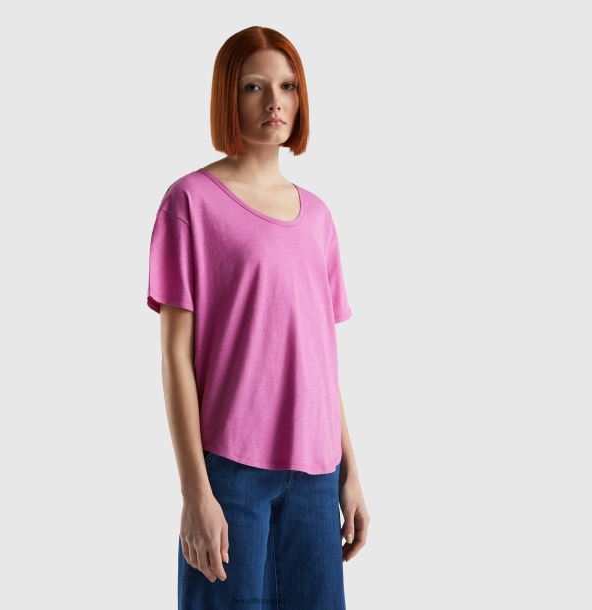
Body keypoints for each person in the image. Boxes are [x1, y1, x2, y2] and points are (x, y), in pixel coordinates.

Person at [146, 26, 370, 609]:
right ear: (228, 94)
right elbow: (175, 358)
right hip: (233, 472)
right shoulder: (190, 202)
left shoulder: (318, 217)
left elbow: (319, 358)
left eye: (288, 86)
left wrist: (350, 470)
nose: (275, 101)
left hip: (317, 476)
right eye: (254, 86)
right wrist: (196, 492)